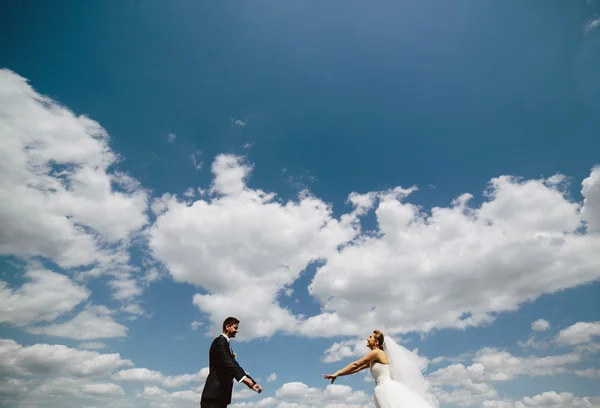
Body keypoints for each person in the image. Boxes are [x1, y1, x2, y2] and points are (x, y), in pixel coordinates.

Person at [324, 330, 439, 408]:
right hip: (382, 388)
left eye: (370, 337)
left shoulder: (376, 353)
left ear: (376, 342)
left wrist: (337, 373)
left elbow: (356, 364)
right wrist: (337, 375)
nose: (367, 339)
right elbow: (357, 369)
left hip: (386, 388)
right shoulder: (376, 356)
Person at [201, 317, 263, 408]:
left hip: (221, 396)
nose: (237, 331)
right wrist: (244, 379)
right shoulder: (219, 342)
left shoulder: (226, 344)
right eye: (235, 328)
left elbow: (233, 366)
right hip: (213, 396)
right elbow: (229, 363)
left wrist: (252, 383)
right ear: (227, 327)